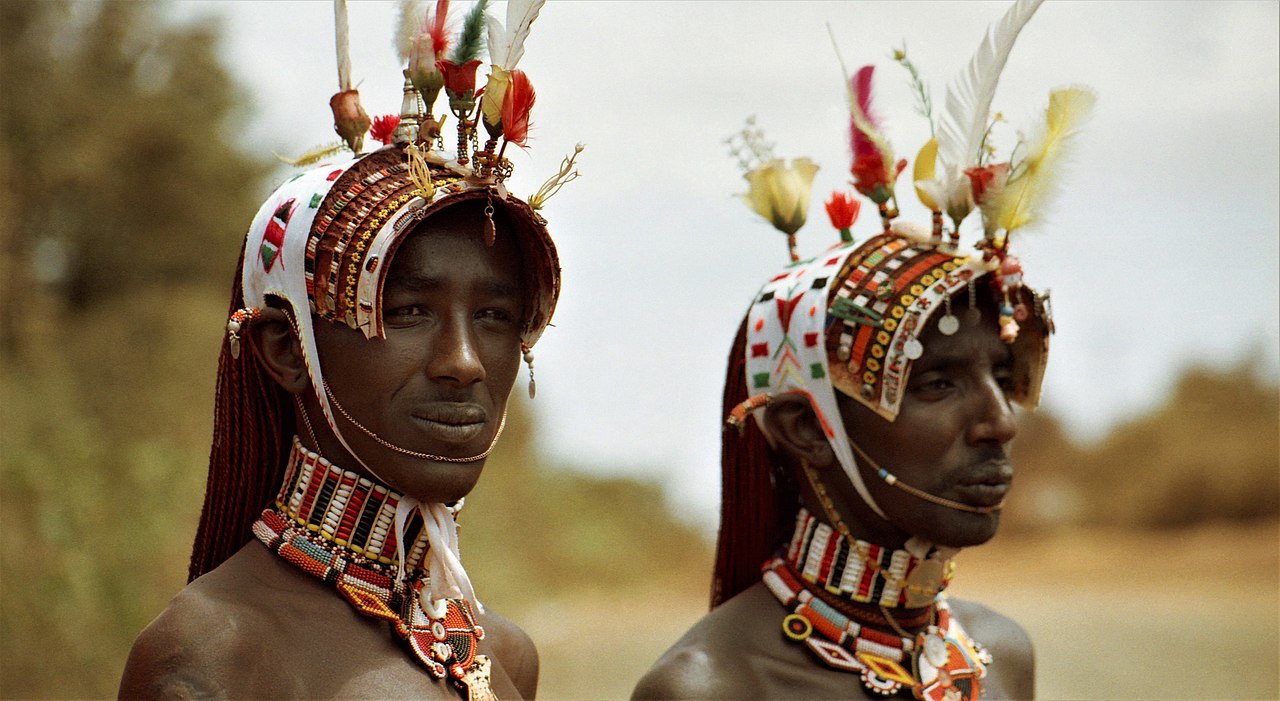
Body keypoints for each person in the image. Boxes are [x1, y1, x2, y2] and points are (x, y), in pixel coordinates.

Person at [120, 2, 577, 698]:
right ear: (286, 347)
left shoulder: (500, 652)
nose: (465, 361)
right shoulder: (212, 662)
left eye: (494, 314)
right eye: (408, 310)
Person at [634, 1, 1090, 698]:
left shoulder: (1000, 656)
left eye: (1003, 374)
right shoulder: (714, 687)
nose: (1000, 420)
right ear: (805, 427)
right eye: (937, 382)